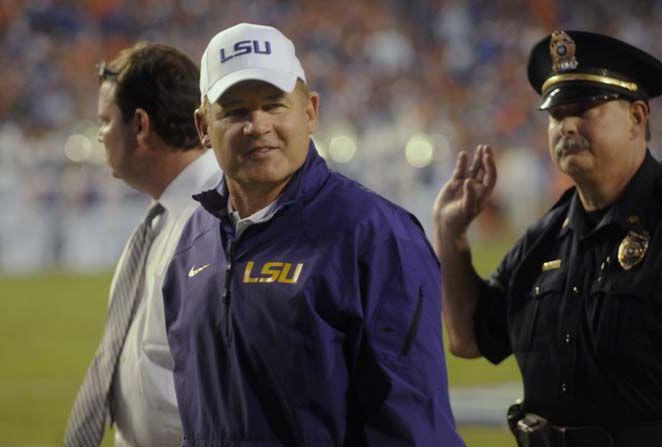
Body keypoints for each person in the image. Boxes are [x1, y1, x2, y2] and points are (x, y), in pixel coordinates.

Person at [162, 23, 464, 447]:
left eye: (274, 105)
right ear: (202, 128)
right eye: (234, 111)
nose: (257, 125)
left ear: (310, 112)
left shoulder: (376, 236)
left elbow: (413, 429)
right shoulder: (193, 242)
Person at [434, 30, 662, 447]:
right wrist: (451, 234)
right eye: (557, 114)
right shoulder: (545, 237)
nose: (567, 125)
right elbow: (469, 338)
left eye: (586, 108)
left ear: (637, 118)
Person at [64, 42, 221, 447]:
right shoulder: (167, 213)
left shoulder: (218, 217)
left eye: (104, 121)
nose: (99, 137)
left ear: (140, 125)